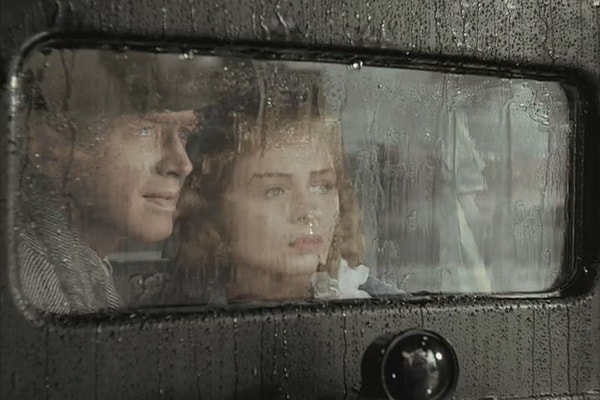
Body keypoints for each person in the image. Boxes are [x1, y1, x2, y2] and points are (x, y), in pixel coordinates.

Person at [170, 64, 402, 303]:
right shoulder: (171, 312)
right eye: (275, 191)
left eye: (322, 187)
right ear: (214, 209)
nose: (307, 212)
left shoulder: (385, 309)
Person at [14, 49, 200, 314]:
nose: (183, 164)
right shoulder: (33, 290)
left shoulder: (65, 270)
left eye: (184, 133)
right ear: (49, 147)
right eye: (146, 130)